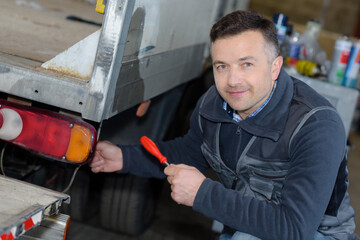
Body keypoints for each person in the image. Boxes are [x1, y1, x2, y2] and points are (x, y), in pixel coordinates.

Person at [90, 10, 358, 240]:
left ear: (275, 67)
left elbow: (295, 228)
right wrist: (124, 157)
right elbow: (190, 154)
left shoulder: (316, 125)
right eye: (222, 66)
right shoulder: (214, 104)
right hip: (250, 224)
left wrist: (203, 193)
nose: (232, 81)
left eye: (247, 64)